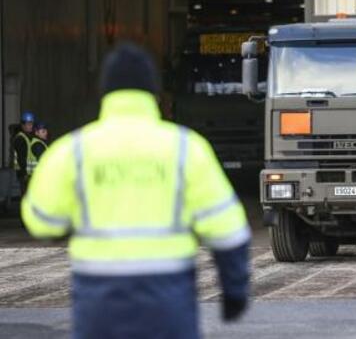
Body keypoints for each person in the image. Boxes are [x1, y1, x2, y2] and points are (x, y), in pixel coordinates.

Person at [21, 43, 251, 338]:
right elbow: (228, 229)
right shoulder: (185, 147)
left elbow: (42, 221)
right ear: (154, 95)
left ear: (105, 95)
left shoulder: (74, 150)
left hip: (98, 302)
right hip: (168, 300)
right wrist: (234, 293)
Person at [13, 111, 35, 191]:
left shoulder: (27, 136)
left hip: (29, 173)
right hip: (24, 174)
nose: (31, 126)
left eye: (32, 123)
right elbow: (21, 157)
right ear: (23, 125)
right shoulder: (20, 138)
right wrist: (25, 174)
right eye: (28, 124)